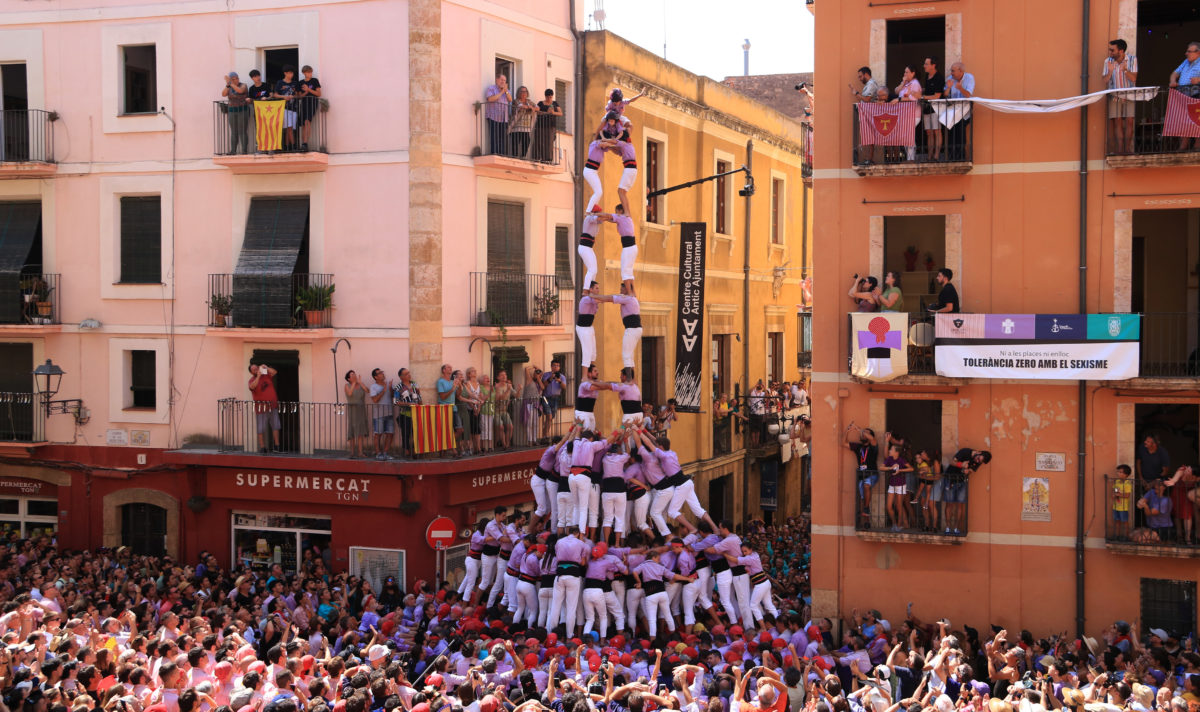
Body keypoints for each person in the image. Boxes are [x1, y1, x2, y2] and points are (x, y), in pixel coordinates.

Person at [943, 448, 991, 536]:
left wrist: (968, 471)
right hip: (950, 479)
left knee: (960, 505)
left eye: (980, 461)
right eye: (978, 459)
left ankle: (956, 528)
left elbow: (972, 470)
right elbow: (951, 462)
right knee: (949, 504)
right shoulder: (964, 452)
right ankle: (948, 527)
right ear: (979, 452)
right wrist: (961, 465)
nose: (978, 461)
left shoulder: (978, 461)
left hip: (961, 482)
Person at [593, 282, 641, 368]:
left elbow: (608, 298)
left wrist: (592, 296)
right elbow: (614, 296)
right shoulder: (632, 297)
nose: (620, 290)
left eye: (621, 288)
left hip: (631, 329)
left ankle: (629, 380)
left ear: (626, 289)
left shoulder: (627, 298)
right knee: (630, 356)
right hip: (636, 329)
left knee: (626, 356)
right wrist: (600, 299)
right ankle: (632, 379)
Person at [1103, 39, 1138, 155]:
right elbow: (1105, 81)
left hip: (1130, 95)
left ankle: (1127, 149)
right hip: (1114, 96)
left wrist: (1125, 70)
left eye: (1112, 50)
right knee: (1117, 121)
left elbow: (1133, 79)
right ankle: (1119, 150)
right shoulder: (1107, 61)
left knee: (1129, 121)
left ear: (1121, 51)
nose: (1110, 52)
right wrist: (1110, 72)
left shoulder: (1132, 59)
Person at [847, 424, 879, 525]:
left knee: (867, 485)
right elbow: (843, 443)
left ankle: (865, 509)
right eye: (863, 433)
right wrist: (847, 431)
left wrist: (860, 430)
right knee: (862, 498)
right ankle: (866, 521)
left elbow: (872, 439)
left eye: (866, 433)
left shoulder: (873, 446)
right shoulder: (858, 447)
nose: (863, 434)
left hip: (872, 474)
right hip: (861, 476)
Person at [944, 62, 976, 161]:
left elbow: (968, 95)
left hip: (964, 112)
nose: (951, 73)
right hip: (952, 112)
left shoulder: (969, 78)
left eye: (953, 71)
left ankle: (961, 157)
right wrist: (949, 87)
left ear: (960, 71)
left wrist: (960, 88)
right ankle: (951, 156)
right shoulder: (949, 79)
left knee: (960, 132)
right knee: (951, 133)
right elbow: (945, 95)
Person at [248, 362, 281, 453]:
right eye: (254, 370)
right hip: (261, 408)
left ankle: (277, 446)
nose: (256, 370)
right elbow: (252, 386)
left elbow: (274, 372)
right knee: (261, 428)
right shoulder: (251, 380)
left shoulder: (266, 375)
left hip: (272, 406)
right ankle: (262, 447)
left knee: (276, 426)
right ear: (251, 372)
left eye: (256, 368)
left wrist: (265, 367)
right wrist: (258, 376)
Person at [883, 443, 913, 532]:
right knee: (888, 506)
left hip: (901, 485)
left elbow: (911, 468)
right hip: (892, 485)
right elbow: (881, 467)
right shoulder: (889, 459)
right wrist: (890, 468)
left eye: (891, 449)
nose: (889, 451)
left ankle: (899, 525)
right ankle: (894, 523)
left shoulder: (901, 460)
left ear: (896, 452)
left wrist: (900, 470)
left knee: (899, 506)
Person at [392, 367, 421, 458]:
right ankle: (407, 453)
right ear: (401, 377)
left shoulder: (414, 384)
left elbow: (419, 398)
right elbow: (395, 402)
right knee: (406, 435)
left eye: (409, 373)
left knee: (416, 434)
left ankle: (415, 452)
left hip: (416, 414)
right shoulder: (398, 387)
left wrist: (421, 408)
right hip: (405, 415)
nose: (409, 375)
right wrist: (409, 404)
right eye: (406, 374)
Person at [436, 363, 465, 456]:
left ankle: (446, 446)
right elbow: (442, 397)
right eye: (448, 367)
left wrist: (460, 386)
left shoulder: (453, 381)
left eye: (451, 367)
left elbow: (458, 395)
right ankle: (454, 451)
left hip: (453, 408)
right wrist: (453, 388)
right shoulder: (440, 382)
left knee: (460, 430)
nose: (450, 368)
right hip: (444, 409)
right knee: (447, 431)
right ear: (443, 370)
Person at [920, 56, 945, 161]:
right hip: (927, 108)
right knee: (929, 132)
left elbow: (937, 96)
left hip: (936, 108)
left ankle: (936, 156)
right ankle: (929, 156)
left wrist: (921, 97)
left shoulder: (939, 77)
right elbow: (929, 91)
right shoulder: (927, 76)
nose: (924, 66)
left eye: (926, 64)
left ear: (933, 65)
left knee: (937, 131)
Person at [271, 65, 300, 151]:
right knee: (289, 127)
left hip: (294, 108)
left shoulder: (295, 83)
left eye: (292, 73)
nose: (291, 74)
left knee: (290, 128)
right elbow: (275, 94)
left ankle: (287, 146)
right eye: (289, 73)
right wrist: (284, 97)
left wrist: (294, 96)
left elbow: (298, 94)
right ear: (285, 73)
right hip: (284, 108)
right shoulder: (280, 82)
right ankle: (294, 146)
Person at [367, 368, 393, 460]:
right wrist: (384, 390)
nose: (383, 374)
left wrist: (390, 389)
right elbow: (375, 400)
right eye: (380, 373)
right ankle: (378, 453)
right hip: (378, 414)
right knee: (378, 434)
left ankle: (385, 453)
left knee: (390, 433)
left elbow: (392, 397)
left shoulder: (388, 384)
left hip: (389, 413)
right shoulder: (373, 387)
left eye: (382, 372)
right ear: (376, 377)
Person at [221, 72, 249, 155]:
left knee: (242, 131)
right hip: (232, 111)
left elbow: (240, 91)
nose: (236, 80)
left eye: (237, 78)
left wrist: (230, 83)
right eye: (233, 79)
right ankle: (233, 151)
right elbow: (223, 94)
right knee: (234, 131)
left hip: (242, 110)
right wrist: (227, 85)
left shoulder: (243, 85)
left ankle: (244, 151)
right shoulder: (229, 87)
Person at [484, 74, 512, 156]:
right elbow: (490, 99)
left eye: (504, 80)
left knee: (502, 137)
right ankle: (494, 153)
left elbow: (510, 99)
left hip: (504, 118)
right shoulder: (491, 88)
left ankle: (501, 153)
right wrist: (501, 92)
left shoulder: (507, 91)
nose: (503, 82)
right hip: (493, 116)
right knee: (494, 136)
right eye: (501, 80)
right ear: (497, 80)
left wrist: (505, 91)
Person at [343, 370, 369, 458]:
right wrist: (354, 383)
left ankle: (360, 452)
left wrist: (360, 383)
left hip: (361, 410)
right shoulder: (347, 386)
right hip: (352, 410)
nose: (354, 376)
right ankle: (352, 453)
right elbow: (349, 393)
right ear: (348, 378)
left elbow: (367, 390)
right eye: (352, 375)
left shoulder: (360, 385)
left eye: (354, 374)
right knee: (352, 431)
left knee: (360, 432)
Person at [540, 360, 568, 441]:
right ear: (551, 366)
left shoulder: (562, 377)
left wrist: (559, 381)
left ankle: (544, 436)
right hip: (546, 398)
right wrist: (551, 378)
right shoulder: (546, 375)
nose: (556, 367)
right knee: (549, 416)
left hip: (555, 398)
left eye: (558, 365)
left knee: (550, 418)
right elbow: (543, 386)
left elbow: (564, 387)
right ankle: (545, 436)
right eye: (554, 365)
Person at [507, 86, 537, 159]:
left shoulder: (529, 101)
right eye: (522, 91)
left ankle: (523, 156)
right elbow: (520, 106)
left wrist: (531, 107)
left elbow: (538, 108)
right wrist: (530, 107)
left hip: (526, 127)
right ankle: (515, 157)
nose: (524, 93)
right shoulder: (516, 101)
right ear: (519, 93)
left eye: (525, 91)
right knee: (515, 142)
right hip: (516, 127)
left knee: (527, 141)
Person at [297, 65, 322, 151]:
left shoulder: (314, 81)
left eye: (311, 72)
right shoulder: (300, 83)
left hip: (312, 103)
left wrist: (308, 90)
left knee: (307, 121)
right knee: (303, 124)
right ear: (304, 73)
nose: (310, 74)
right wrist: (306, 92)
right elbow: (299, 96)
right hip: (304, 103)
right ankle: (304, 144)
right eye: (308, 72)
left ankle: (305, 143)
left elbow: (319, 94)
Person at [535, 88, 562, 162]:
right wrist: (545, 112)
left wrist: (553, 113)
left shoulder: (555, 103)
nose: (549, 99)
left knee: (549, 143)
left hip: (551, 126)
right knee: (540, 142)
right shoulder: (540, 103)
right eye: (548, 97)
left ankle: (548, 159)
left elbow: (560, 113)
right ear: (545, 96)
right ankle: (540, 157)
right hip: (541, 125)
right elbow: (536, 111)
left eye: (550, 97)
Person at [576, 285, 599, 369]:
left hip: (589, 327)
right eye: (596, 288)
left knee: (593, 352)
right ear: (591, 289)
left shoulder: (593, 300)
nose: (598, 290)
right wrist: (617, 297)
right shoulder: (586, 299)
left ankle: (591, 371)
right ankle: (585, 376)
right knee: (587, 352)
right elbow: (600, 299)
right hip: (583, 328)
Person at [1111, 463, 1134, 541]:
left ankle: (1126, 536)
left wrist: (1118, 494)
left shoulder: (1127, 483)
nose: (1118, 473)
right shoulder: (1117, 482)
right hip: (1116, 505)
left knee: (1125, 521)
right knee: (1117, 521)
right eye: (1118, 472)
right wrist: (1114, 494)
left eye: (1120, 472)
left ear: (1126, 474)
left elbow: (1127, 495)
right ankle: (1117, 535)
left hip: (1123, 507)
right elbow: (1115, 490)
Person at [492, 370, 514, 450]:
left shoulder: (509, 386)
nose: (504, 376)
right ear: (498, 377)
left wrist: (519, 389)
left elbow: (516, 395)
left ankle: (507, 444)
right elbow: (498, 399)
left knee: (510, 427)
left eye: (505, 375)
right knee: (500, 427)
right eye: (502, 375)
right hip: (496, 411)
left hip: (505, 411)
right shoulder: (496, 387)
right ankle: (504, 444)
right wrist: (508, 390)